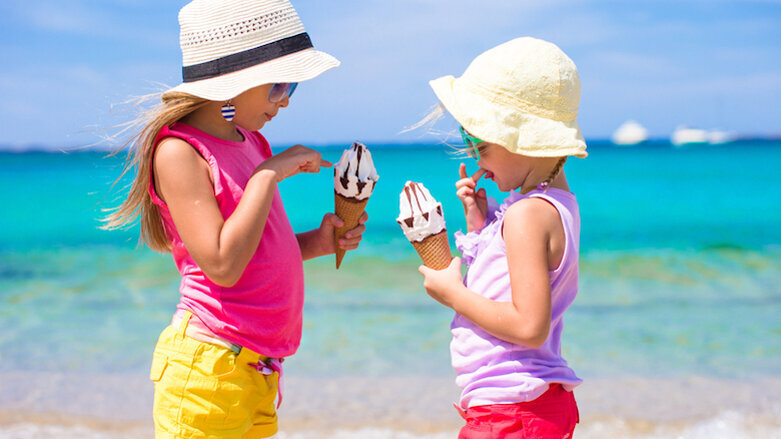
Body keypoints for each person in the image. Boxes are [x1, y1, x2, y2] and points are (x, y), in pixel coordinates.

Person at [103, 1, 366, 437]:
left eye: (292, 88)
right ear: (231, 85)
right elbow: (223, 266)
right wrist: (268, 175)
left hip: (256, 371)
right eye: (279, 86)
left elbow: (256, 251)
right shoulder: (180, 152)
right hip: (207, 368)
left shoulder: (252, 143)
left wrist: (318, 244)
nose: (284, 102)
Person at [416, 37, 587, 438]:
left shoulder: (527, 214)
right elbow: (508, 279)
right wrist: (481, 221)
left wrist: (452, 293)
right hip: (523, 406)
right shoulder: (549, 204)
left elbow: (529, 327)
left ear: (524, 140)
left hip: (514, 410)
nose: (475, 158)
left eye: (481, 144)